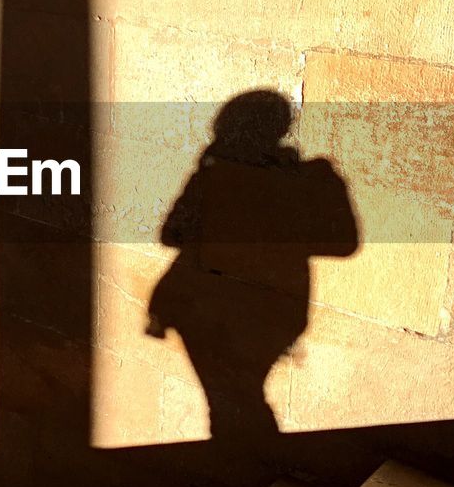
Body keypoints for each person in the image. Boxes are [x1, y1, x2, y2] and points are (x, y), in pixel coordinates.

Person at [147, 90, 358, 445]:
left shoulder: (215, 173)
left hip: (211, 308)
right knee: (239, 396)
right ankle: (249, 473)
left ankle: (247, 476)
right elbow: (343, 243)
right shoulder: (310, 179)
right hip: (273, 310)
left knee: (229, 400)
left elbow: (172, 234)